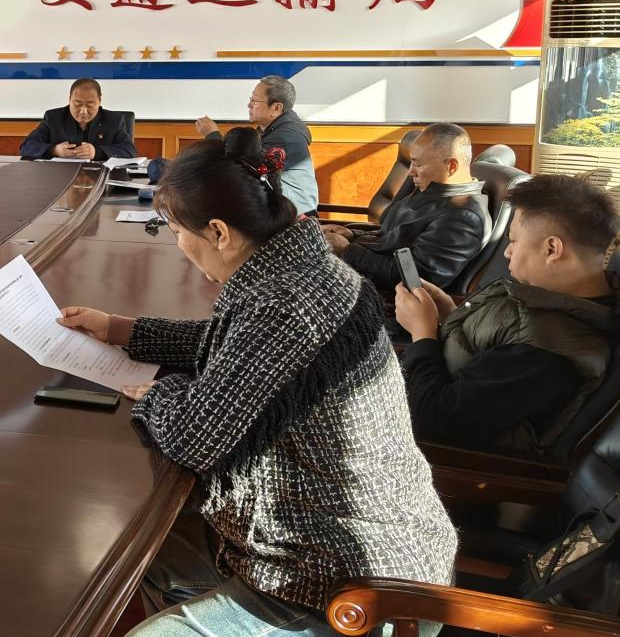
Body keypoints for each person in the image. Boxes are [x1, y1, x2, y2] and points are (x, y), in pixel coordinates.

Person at [57, 128, 455, 637]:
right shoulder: (299, 268)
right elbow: (234, 347)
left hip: (351, 584)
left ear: (218, 232)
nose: (179, 246)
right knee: (151, 548)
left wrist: (154, 392)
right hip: (369, 551)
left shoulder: (283, 303)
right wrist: (124, 329)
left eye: (177, 232)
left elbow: (194, 435)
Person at [397, 172, 620, 457]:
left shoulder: (547, 353)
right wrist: (450, 316)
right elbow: (501, 338)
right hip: (417, 379)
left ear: (552, 249)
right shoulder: (551, 299)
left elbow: (435, 418)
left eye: (513, 241)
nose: (507, 253)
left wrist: (422, 333)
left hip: (425, 448)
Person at [324, 122, 489, 293]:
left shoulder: (462, 216)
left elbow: (414, 280)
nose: (410, 172)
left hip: (379, 297)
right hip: (361, 276)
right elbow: (392, 241)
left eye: (418, 165)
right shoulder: (433, 190)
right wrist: (353, 236)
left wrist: (348, 250)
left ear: (451, 166)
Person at [196, 75, 318, 216]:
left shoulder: (285, 138)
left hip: (293, 216)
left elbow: (241, 171)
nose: (249, 105)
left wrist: (212, 135)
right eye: (251, 99)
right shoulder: (276, 127)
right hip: (279, 208)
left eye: (254, 100)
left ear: (276, 108)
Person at [20, 78, 137, 161]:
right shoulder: (53, 117)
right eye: (77, 104)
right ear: (69, 99)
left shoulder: (114, 120)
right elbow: (26, 146)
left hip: (100, 178)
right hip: (61, 178)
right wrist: (54, 150)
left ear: (99, 101)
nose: (83, 111)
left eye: (90, 104)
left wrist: (96, 152)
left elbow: (129, 150)